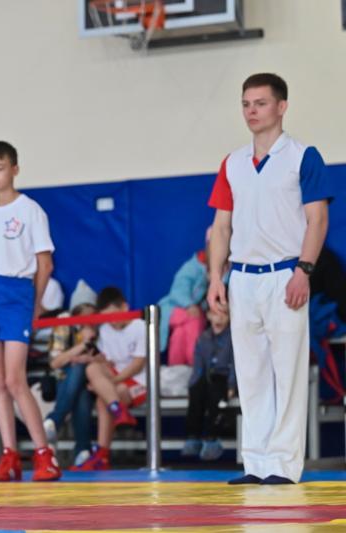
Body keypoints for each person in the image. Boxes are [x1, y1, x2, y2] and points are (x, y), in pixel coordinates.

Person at [207, 73, 332, 485]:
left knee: (287, 372)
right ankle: (256, 463)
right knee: (251, 373)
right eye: (246, 104)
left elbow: (318, 219)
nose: (251, 111)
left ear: (281, 106)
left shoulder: (302, 156)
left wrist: (304, 270)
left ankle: (283, 465)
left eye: (260, 103)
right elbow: (221, 226)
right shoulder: (232, 162)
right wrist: (215, 278)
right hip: (242, 277)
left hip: (285, 274)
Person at [0, 141, 60, 482]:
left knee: (14, 379)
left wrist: (34, 303)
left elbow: (45, 263)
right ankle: (9, 455)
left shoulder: (30, 210)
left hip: (18, 292)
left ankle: (44, 453)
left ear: (14, 169)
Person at [76, 287, 146, 471]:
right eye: (107, 318)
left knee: (103, 399)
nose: (112, 322)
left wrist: (107, 384)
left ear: (125, 307)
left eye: (114, 315)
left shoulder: (140, 326)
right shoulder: (106, 329)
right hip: (115, 377)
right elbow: (106, 362)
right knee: (92, 368)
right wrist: (88, 350)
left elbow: (137, 365)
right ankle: (119, 410)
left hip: (139, 381)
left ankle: (102, 454)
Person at [42, 303, 98, 469]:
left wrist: (85, 357)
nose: (89, 320)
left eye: (93, 315)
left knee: (80, 372)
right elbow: (55, 363)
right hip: (63, 380)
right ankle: (83, 450)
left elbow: (105, 360)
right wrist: (83, 345)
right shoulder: (64, 324)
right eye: (85, 315)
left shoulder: (100, 329)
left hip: (93, 382)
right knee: (79, 382)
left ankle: (54, 420)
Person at [182, 306, 236, 461]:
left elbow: (236, 364)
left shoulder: (234, 336)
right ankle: (193, 436)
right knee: (197, 391)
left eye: (224, 314)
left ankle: (212, 438)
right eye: (215, 314)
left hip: (224, 378)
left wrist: (232, 385)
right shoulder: (203, 338)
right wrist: (193, 385)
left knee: (216, 393)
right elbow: (198, 366)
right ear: (208, 316)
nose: (219, 318)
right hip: (207, 378)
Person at [157, 232, 210, 366]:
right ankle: (195, 366)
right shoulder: (192, 267)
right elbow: (177, 292)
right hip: (172, 309)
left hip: (196, 313)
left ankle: (179, 370)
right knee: (194, 319)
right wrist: (189, 305)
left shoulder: (224, 267)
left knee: (180, 333)